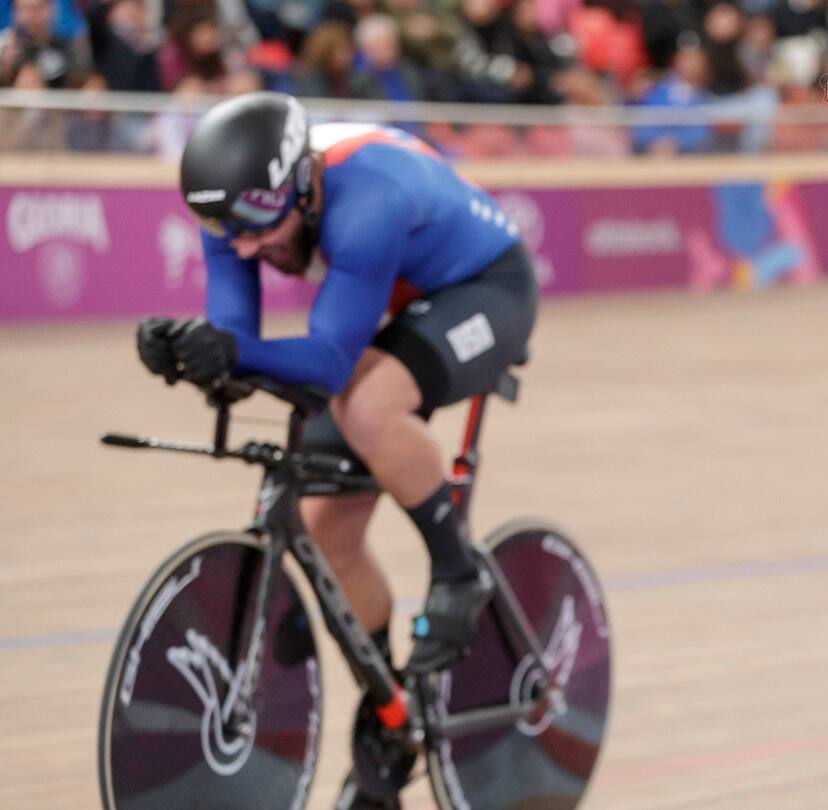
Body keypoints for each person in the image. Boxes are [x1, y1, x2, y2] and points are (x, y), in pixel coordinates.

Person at [134, 91, 537, 809]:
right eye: (227, 232)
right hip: (403, 300)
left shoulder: (365, 200)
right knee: (330, 532)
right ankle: (391, 720)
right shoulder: (239, 210)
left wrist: (232, 351)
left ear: (300, 182)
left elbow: (323, 362)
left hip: (486, 287)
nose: (247, 246)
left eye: (260, 225)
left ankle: (457, 570)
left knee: (366, 403)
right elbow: (238, 341)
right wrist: (196, 358)